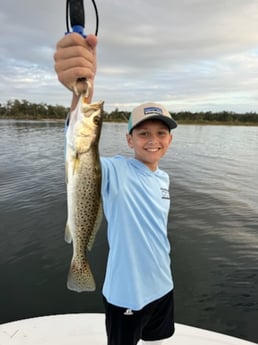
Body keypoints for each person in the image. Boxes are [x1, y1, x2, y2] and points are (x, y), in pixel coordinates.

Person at [54, 33, 177, 345]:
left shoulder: (163, 179)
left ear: (169, 140)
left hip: (163, 287)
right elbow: (80, 147)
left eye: (161, 132)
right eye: (143, 133)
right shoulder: (113, 169)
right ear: (129, 140)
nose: (153, 140)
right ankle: (78, 262)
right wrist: (81, 92)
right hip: (127, 295)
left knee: (158, 341)